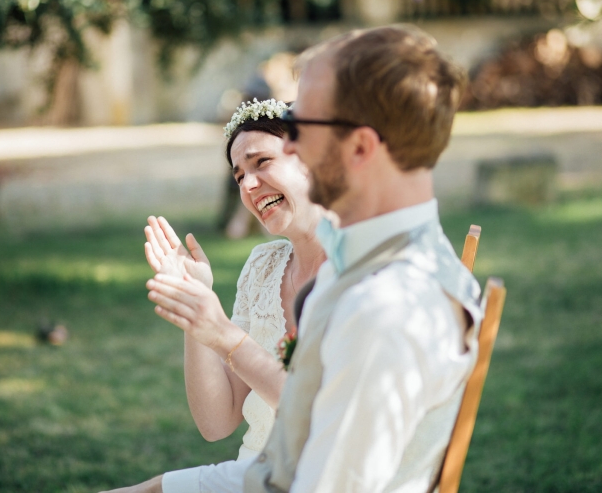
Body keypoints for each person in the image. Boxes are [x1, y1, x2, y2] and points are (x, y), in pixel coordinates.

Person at [243, 25, 484, 493]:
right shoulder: (371, 262)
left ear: (360, 147)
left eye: (301, 125)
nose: (287, 146)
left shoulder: (382, 310)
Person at [100, 99, 326, 493]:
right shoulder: (263, 266)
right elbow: (216, 422)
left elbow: (319, 415)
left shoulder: (364, 273)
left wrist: (221, 331)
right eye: (239, 176)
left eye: (261, 163)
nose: (249, 185)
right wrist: (196, 304)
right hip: (255, 471)